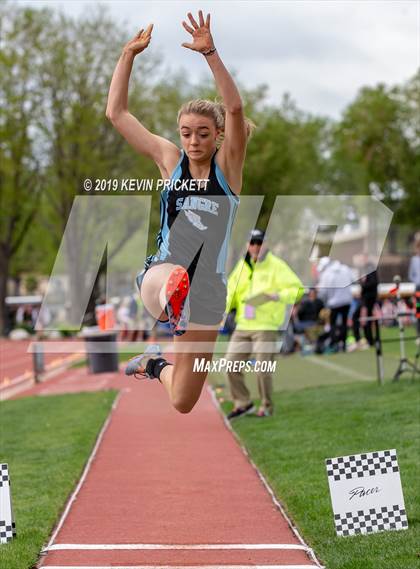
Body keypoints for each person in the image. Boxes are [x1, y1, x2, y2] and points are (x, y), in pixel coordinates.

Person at [106, 11, 251, 414]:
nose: (192, 141)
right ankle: (174, 303)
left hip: (206, 292)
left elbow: (235, 109)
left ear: (218, 136)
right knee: (175, 277)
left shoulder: (228, 172)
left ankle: (153, 364)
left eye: (203, 134)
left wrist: (211, 53)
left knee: (184, 399)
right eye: (186, 132)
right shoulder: (170, 161)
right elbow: (117, 115)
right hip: (162, 274)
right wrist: (127, 56)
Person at [224, 230, 304, 418]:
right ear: (247, 245)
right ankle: (243, 403)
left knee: (262, 369)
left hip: (266, 325)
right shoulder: (241, 266)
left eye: (259, 242)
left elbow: (298, 289)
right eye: (252, 243)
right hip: (243, 325)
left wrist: (277, 296)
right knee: (230, 365)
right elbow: (231, 291)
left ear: (266, 244)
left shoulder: (277, 265)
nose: (256, 247)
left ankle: (266, 405)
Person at [317, 257, 354, 353]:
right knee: (344, 324)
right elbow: (352, 279)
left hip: (334, 303)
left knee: (333, 324)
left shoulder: (326, 274)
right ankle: (343, 344)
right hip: (346, 300)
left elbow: (323, 291)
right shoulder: (345, 268)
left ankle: (334, 344)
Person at [351, 254, 379, 350]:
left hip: (368, 299)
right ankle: (369, 340)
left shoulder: (370, 269)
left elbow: (372, 283)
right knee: (366, 318)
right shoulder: (367, 269)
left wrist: (362, 284)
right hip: (367, 298)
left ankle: (367, 340)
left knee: (363, 318)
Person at [408, 237, 420, 336]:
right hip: (418, 288)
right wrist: (417, 281)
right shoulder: (414, 259)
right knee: (418, 310)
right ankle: (418, 334)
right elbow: (411, 275)